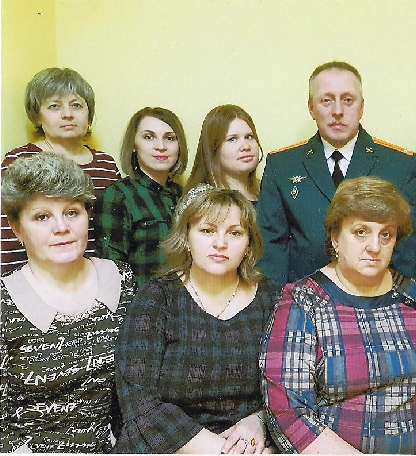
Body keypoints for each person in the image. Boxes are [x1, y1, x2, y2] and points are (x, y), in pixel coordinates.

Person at [261, 176, 416, 454]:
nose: (375, 247)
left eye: (386, 234)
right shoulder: (303, 301)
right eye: (360, 232)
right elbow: (289, 413)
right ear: (335, 237)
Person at [114, 187, 280, 454]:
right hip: (167, 447)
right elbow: (139, 401)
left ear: (249, 245)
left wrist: (260, 421)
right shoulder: (156, 298)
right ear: (187, 239)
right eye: (207, 230)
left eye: (235, 233)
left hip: (251, 447)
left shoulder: (273, 299)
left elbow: (291, 391)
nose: (220, 243)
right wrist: (221, 451)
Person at [0, 153, 135, 453]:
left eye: (72, 212)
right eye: (42, 216)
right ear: (17, 228)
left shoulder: (121, 280)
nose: (61, 227)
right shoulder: (5, 302)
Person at [257, 61, 416, 286]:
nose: (337, 111)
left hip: (376, 297)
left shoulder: (398, 165)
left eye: (347, 100)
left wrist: (402, 301)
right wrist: (279, 302)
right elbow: (271, 247)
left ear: (362, 107)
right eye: (326, 100)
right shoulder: (283, 165)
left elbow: (408, 249)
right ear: (311, 108)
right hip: (303, 298)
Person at [1, 67, 121, 272]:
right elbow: (8, 237)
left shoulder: (106, 164)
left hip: (98, 277)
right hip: (39, 279)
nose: (67, 114)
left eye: (76, 105)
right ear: (37, 116)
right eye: (54, 106)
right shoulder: (20, 161)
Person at [93, 107, 188, 287]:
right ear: (134, 146)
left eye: (170, 138)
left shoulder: (185, 195)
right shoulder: (118, 196)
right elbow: (113, 272)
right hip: (143, 302)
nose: (161, 146)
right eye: (148, 137)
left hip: (188, 300)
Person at [185, 104, 263, 203]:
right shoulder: (202, 200)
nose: (246, 146)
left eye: (249, 137)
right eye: (232, 139)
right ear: (213, 148)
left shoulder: (267, 191)